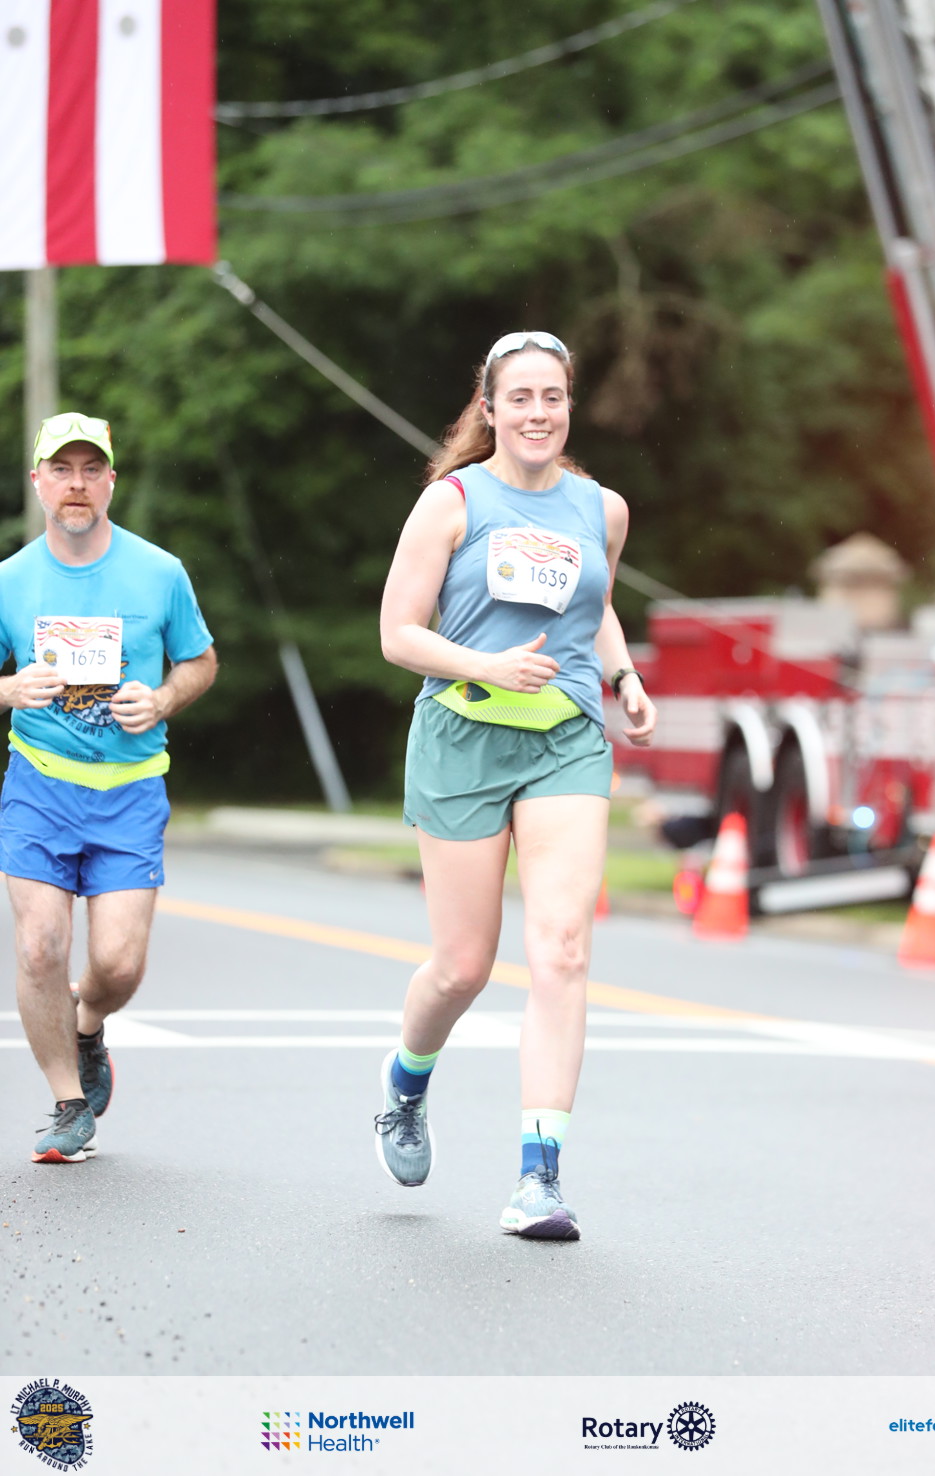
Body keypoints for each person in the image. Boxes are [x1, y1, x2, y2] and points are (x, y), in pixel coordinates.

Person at [377, 331, 655, 1239]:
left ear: (569, 405)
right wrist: (487, 666)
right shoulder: (451, 503)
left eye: (553, 397)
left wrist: (622, 676)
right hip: (462, 736)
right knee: (463, 965)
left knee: (563, 948)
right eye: (521, 398)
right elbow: (397, 634)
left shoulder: (601, 509)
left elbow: (596, 605)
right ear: (490, 409)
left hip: (566, 740)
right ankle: (406, 1081)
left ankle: (540, 1177)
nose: (539, 413)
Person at [0, 412, 217, 1163]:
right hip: (39, 785)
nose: (77, 484)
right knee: (40, 946)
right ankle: (68, 1104)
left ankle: (87, 1022)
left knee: (119, 964)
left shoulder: (159, 572)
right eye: (62, 470)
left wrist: (162, 699)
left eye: (91, 470)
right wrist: (11, 690)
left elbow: (200, 662)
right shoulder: (11, 580)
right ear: (38, 481)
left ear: (111, 482)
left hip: (130, 790)